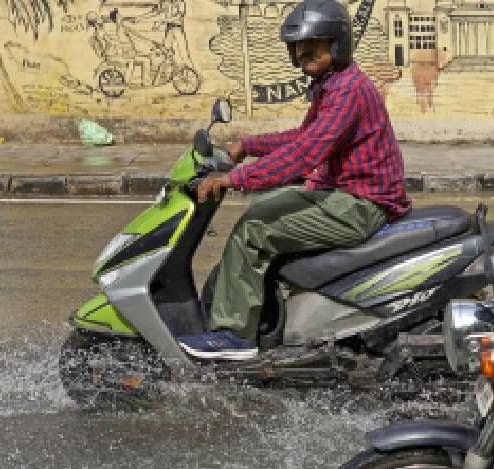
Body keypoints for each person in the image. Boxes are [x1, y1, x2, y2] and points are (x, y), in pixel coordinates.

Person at [176, 0, 411, 360]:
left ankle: (236, 336)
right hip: (347, 194)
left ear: (336, 45)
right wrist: (248, 146)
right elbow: (303, 138)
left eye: (311, 47)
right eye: (298, 50)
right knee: (265, 208)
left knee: (254, 228)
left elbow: (304, 156)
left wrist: (233, 179)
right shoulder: (334, 84)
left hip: (362, 205)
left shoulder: (347, 91)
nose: (302, 56)